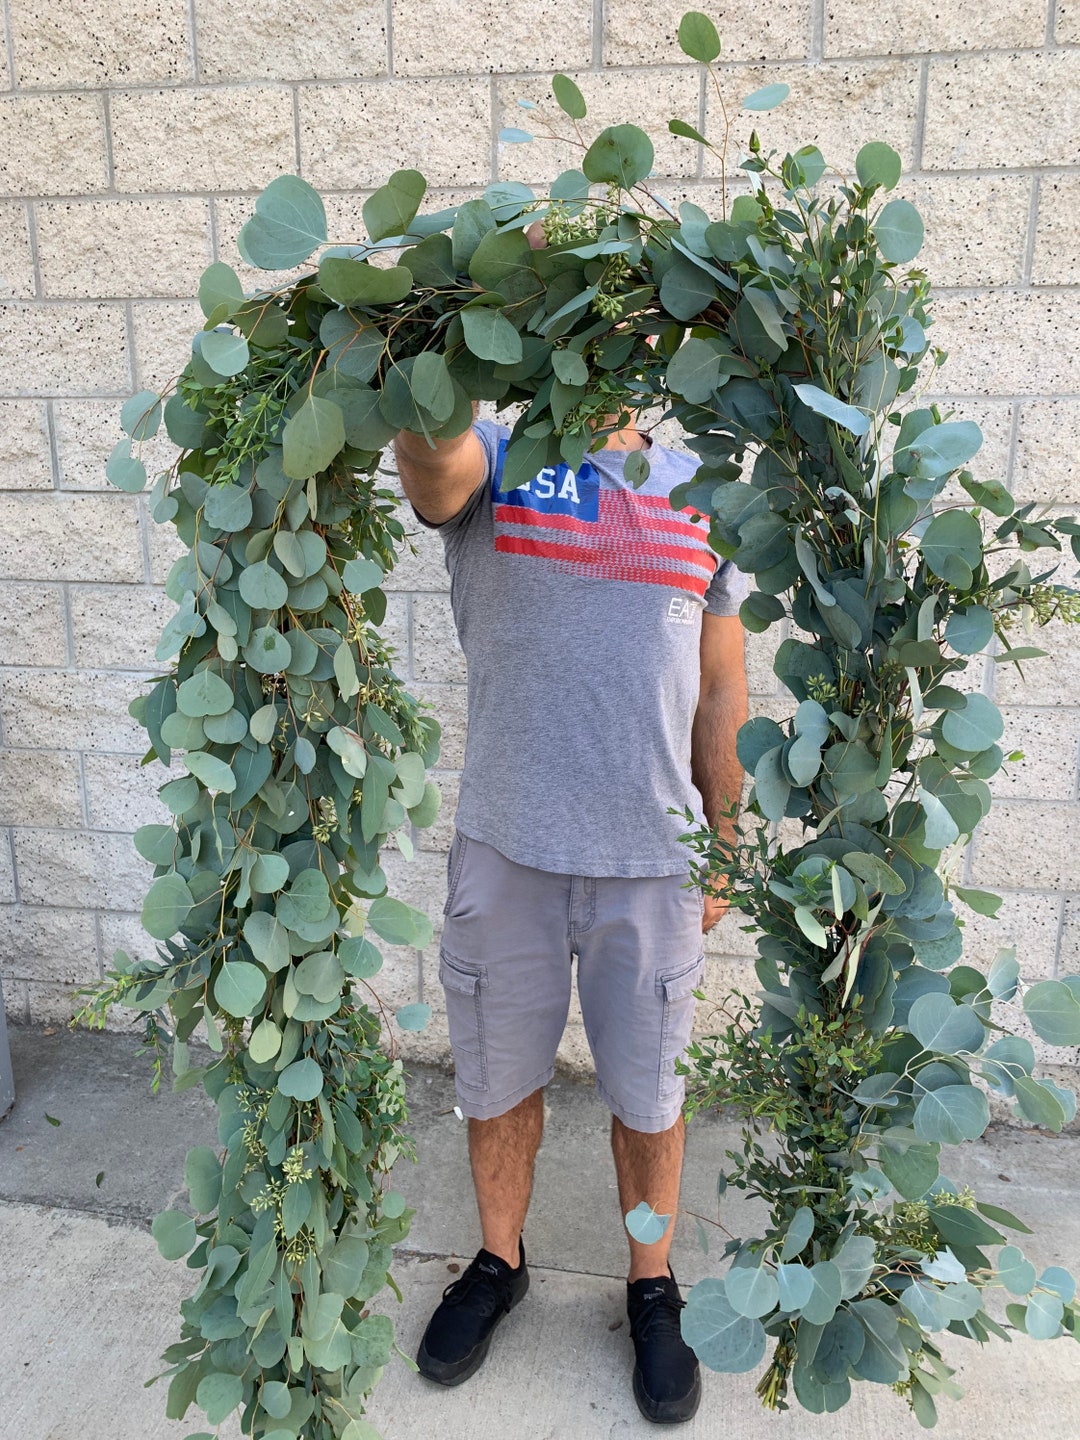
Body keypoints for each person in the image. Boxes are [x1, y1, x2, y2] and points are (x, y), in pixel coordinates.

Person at [391, 321, 749, 1424]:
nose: (603, 349)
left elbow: (723, 692)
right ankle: (500, 1262)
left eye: (626, 324)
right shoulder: (499, 456)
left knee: (650, 1102)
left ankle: (650, 1278)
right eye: (576, 321)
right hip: (509, 852)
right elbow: (428, 458)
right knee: (499, 1088)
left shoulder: (703, 496)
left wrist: (726, 837)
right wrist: (435, 321)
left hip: (653, 861)